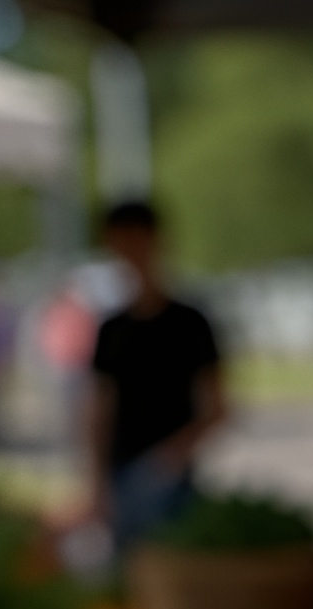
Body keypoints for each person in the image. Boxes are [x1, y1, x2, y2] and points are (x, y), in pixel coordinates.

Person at [87, 201, 224, 548]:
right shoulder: (112, 329)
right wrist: (97, 478)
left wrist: (172, 456)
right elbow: (100, 407)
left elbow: (218, 406)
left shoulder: (191, 324)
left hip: (171, 477)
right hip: (122, 471)